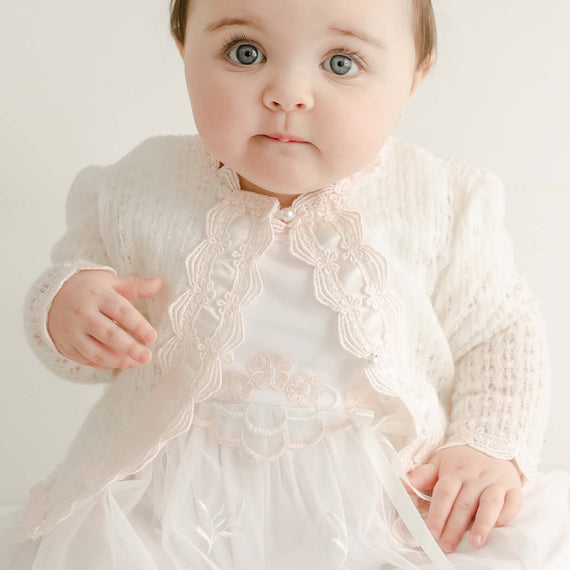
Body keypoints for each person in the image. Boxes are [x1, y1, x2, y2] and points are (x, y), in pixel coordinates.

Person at [3, 0, 569, 567]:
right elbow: (82, 335)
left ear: (415, 76)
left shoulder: (438, 201)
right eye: (245, 53)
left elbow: (499, 329)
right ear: (184, 51)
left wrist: (488, 444)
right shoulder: (139, 188)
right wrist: (67, 311)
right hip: (170, 511)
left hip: (383, 508)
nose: (287, 93)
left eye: (341, 63)